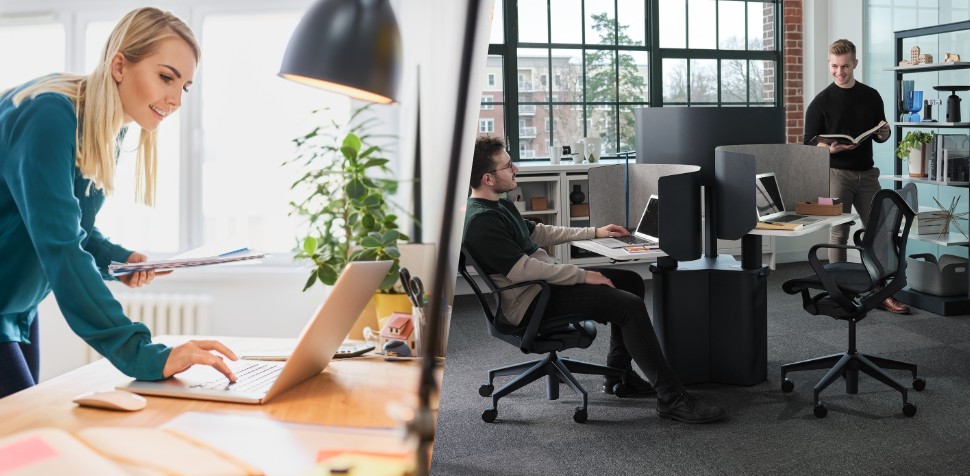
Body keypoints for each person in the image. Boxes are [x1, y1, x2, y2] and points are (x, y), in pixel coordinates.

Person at [0, 7, 238, 399]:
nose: (176, 100)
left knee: (23, 445)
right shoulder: (49, 116)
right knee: (23, 441)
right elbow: (61, 249)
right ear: (119, 66)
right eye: (166, 77)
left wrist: (118, 258)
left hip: (16, 310)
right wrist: (143, 354)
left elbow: (66, 226)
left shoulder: (106, 128)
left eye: (185, 87)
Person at [462, 136, 726, 423]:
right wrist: (584, 275)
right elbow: (524, 270)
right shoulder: (482, 222)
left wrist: (595, 231)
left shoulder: (499, 206)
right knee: (629, 306)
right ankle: (672, 399)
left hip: (543, 288)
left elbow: (539, 233)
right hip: (531, 300)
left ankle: (619, 376)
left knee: (630, 283)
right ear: (488, 178)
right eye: (508, 165)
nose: (515, 169)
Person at [803, 38, 909, 314]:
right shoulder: (821, 102)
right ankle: (836, 292)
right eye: (835, 66)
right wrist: (831, 147)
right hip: (836, 174)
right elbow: (808, 142)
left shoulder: (871, 95)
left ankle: (883, 292)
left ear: (855, 64)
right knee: (838, 232)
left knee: (881, 233)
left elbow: (881, 131)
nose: (840, 72)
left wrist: (884, 133)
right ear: (829, 64)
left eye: (846, 66)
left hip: (868, 174)